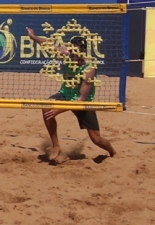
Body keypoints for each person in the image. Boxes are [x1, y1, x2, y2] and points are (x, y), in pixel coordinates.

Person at [26, 29, 116, 164]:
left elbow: (81, 99)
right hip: (65, 94)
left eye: (76, 53)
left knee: (96, 139)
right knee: (46, 107)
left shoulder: (89, 69)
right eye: (72, 52)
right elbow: (48, 45)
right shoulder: (67, 56)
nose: (73, 55)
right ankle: (56, 145)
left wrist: (59, 109)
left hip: (83, 103)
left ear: (83, 52)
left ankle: (112, 152)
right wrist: (33, 37)